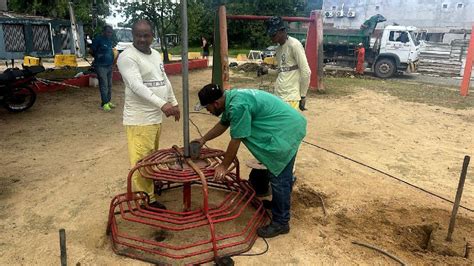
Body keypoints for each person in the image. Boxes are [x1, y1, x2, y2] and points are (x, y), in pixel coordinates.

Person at [194, 84, 307, 238]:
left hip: (285, 129)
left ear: (216, 103)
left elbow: (236, 139)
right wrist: (203, 139)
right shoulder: (230, 98)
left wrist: (223, 166)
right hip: (284, 125)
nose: (208, 111)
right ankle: (278, 205)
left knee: (279, 177)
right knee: (279, 174)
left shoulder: (238, 106)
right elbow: (223, 124)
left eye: (207, 108)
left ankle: (281, 222)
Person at [117, 19, 180, 209]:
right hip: (139, 119)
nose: (142, 39)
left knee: (150, 157)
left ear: (152, 35)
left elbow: (164, 80)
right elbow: (136, 86)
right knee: (141, 161)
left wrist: (174, 102)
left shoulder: (155, 55)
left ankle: (149, 188)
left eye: (146, 35)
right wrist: (162, 104)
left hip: (154, 118)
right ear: (132, 35)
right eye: (138, 35)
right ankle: (145, 200)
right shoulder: (127, 57)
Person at [262, 16, 311, 112]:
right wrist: (267, 71)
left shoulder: (294, 45)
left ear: (282, 31)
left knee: (288, 126)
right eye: (270, 35)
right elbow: (282, 71)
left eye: (273, 34)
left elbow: (306, 71)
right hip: (278, 95)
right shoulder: (279, 48)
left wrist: (303, 95)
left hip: (291, 97)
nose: (271, 37)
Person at [91, 25, 115, 112]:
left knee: (109, 84)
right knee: (104, 85)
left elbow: (110, 51)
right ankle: (104, 104)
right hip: (100, 66)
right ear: (104, 32)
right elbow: (92, 50)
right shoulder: (98, 39)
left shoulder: (109, 40)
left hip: (109, 65)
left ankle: (108, 101)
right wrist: (98, 57)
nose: (110, 34)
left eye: (111, 32)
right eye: (108, 32)